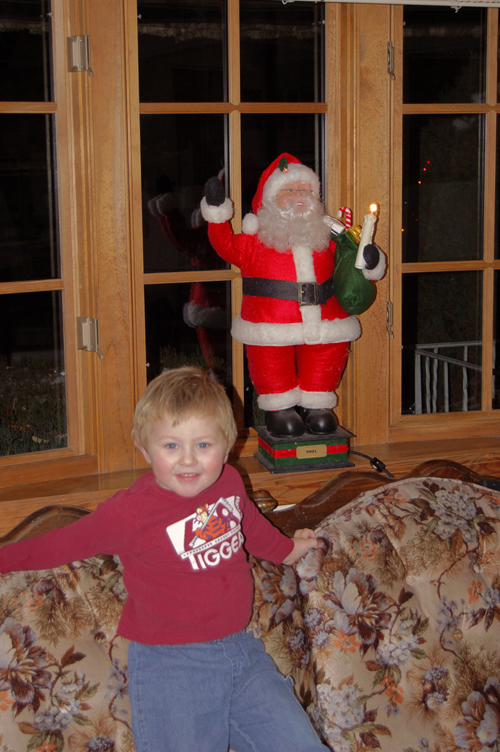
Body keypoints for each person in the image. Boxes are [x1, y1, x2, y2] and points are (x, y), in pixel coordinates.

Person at [0, 366, 329, 752]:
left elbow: (250, 529)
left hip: (242, 654)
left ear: (227, 446)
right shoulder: (131, 511)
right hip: (173, 668)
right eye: (171, 446)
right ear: (144, 448)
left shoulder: (229, 483)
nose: (188, 460)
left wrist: (289, 550)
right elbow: (59, 545)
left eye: (203, 446)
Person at [200, 153, 386, 438]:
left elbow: (351, 264)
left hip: (327, 322)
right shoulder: (255, 240)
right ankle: (280, 408)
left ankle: (317, 406)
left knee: (323, 366)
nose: (299, 196)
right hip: (269, 325)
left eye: (305, 190)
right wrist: (216, 213)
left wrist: (368, 260)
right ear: (270, 198)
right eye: (289, 190)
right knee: (271, 364)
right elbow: (224, 244)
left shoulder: (328, 235)